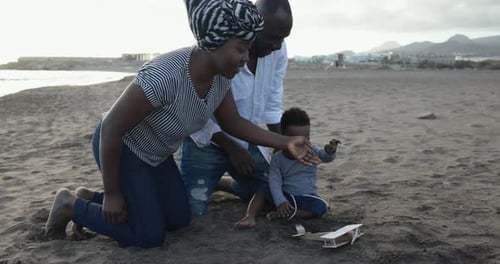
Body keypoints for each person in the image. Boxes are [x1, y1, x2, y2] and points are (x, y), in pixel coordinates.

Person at [44, 0, 320, 248]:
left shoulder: (221, 77)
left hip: (158, 155)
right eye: (240, 49)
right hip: (124, 148)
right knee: (148, 236)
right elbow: (111, 127)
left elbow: (233, 123)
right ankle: (70, 205)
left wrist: (287, 142)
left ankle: (91, 198)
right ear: (215, 40)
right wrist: (114, 193)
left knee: (178, 218)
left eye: (248, 49)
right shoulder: (166, 75)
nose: (246, 59)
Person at [180, 0, 293, 227]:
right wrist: (232, 148)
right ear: (253, 28)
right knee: (188, 214)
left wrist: (283, 148)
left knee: (279, 198)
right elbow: (196, 114)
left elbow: (272, 101)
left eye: (283, 38)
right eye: (272, 37)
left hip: (246, 138)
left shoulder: (277, 51)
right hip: (207, 140)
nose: (278, 46)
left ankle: (225, 183)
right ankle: (210, 177)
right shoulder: (217, 50)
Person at [262, 107, 340, 223]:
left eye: (305, 139)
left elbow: (325, 157)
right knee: (263, 188)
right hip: (286, 196)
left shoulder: (311, 150)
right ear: (283, 137)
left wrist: (330, 151)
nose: (301, 143)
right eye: (295, 139)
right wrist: (280, 201)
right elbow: (275, 181)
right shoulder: (278, 158)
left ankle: (289, 214)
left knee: (322, 206)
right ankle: (274, 210)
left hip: (306, 197)